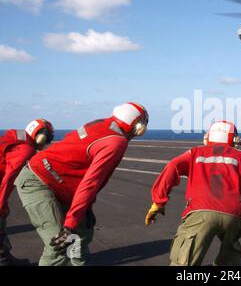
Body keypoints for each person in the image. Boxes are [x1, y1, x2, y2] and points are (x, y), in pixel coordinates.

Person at [14, 102, 149, 266]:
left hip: (59, 183)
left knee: (83, 230)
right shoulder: (116, 142)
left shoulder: (100, 123)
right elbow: (91, 183)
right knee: (59, 245)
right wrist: (70, 224)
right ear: (137, 125)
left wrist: (85, 209)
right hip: (37, 180)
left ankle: (79, 262)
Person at [145, 120, 241, 266]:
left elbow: (172, 166)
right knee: (230, 258)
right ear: (234, 139)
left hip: (200, 211)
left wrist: (158, 202)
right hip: (233, 214)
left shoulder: (194, 153)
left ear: (208, 137)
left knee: (184, 261)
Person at [0, 119, 54, 266]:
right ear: (40, 136)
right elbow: (9, 178)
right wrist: (1, 204)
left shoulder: (17, 137)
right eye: (46, 138)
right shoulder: (25, 151)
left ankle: (5, 257)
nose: (45, 143)